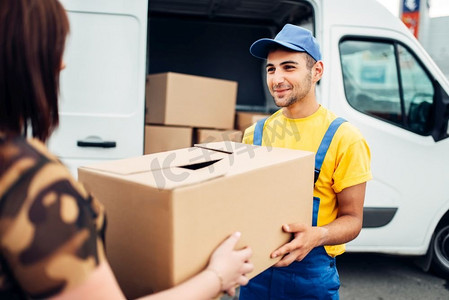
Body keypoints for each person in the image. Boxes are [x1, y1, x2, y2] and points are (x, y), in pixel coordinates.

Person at [0, 0, 253, 299]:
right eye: (53, 46)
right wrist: (218, 275)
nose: (62, 63)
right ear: (22, 53)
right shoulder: (27, 177)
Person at [239, 24, 372, 299]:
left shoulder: (344, 137)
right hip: (256, 273)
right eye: (271, 69)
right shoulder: (255, 134)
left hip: (310, 276)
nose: (277, 78)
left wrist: (318, 235)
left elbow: (353, 219)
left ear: (317, 72)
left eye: (289, 67)